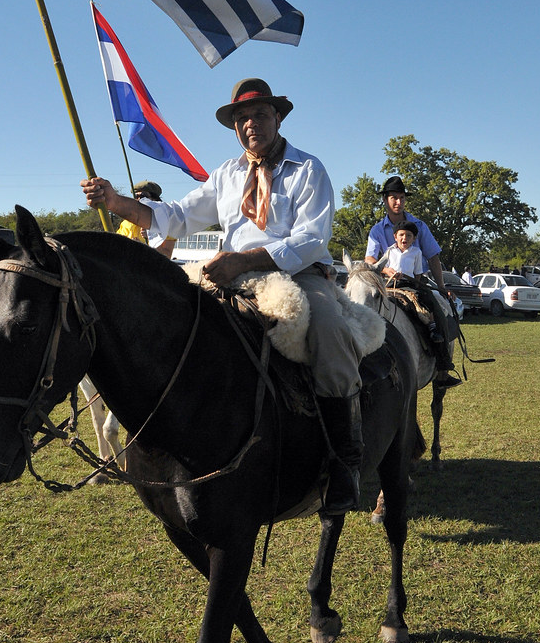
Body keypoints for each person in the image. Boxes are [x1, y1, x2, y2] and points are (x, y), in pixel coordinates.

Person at [82, 77, 365, 514]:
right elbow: (177, 216)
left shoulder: (309, 169)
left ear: (278, 117)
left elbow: (312, 238)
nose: (251, 124)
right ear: (235, 127)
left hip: (300, 274)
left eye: (260, 114)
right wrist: (118, 202)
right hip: (229, 276)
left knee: (331, 333)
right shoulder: (228, 175)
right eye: (242, 118)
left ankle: (345, 461)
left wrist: (247, 259)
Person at [365, 175, 461, 388]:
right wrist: (385, 269)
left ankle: (443, 368)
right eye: (393, 198)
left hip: (415, 283)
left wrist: (442, 287)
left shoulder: (419, 225)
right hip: (387, 285)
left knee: (437, 309)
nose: (398, 202)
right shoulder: (377, 230)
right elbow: (369, 258)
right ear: (385, 200)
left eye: (401, 198)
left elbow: (433, 256)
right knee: (361, 310)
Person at [116, 180, 176, 258]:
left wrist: (150, 241)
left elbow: (167, 255)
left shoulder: (168, 223)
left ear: (155, 199)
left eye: (143, 196)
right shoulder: (127, 223)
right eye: (136, 196)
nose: (139, 199)